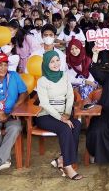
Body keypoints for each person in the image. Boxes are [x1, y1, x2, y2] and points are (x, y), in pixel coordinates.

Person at [36, 50, 83, 180]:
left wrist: (67, 113)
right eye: (52, 61)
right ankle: (68, 166)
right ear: (46, 64)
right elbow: (44, 103)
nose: (56, 63)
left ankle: (62, 159)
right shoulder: (42, 81)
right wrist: (61, 118)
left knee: (77, 124)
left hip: (63, 114)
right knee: (65, 128)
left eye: (57, 60)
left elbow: (70, 95)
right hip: (46, 116)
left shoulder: (64, 76)